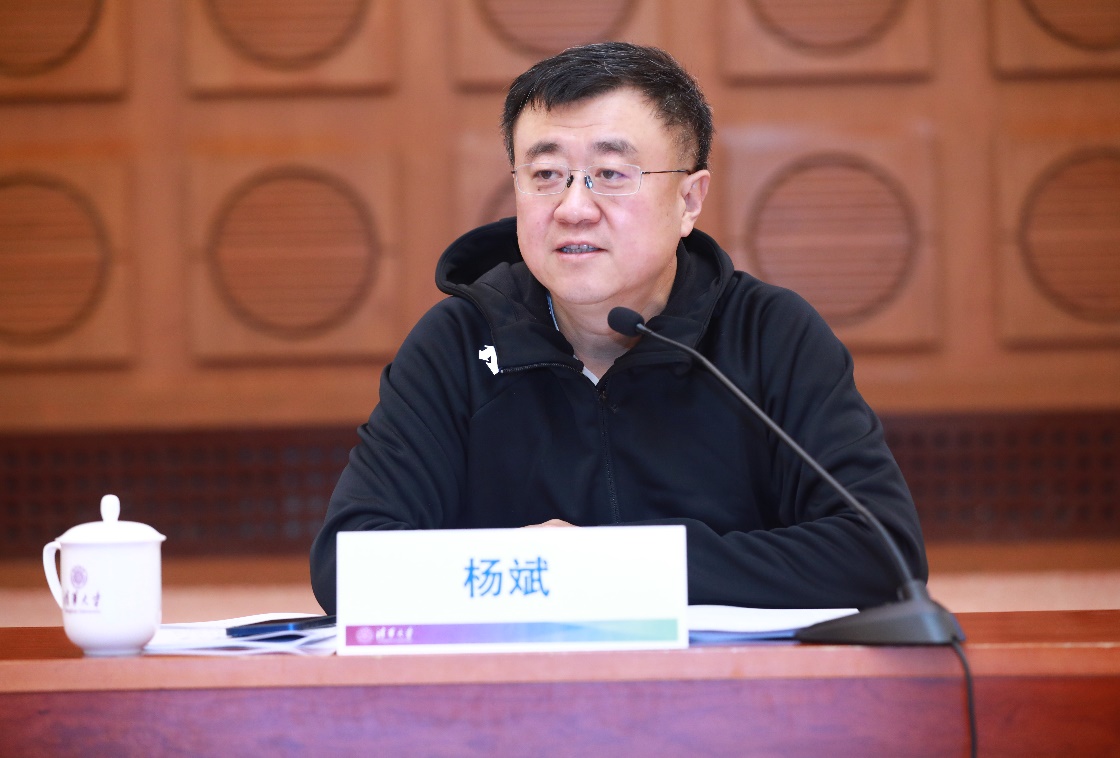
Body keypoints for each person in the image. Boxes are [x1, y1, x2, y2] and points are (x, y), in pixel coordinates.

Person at [310, 41, 927, 614]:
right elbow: (349, 564)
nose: (574, 208)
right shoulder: (458, 343)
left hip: (729, 687)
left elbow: (881, 553)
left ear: (689, 200)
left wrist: (613, 566)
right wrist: (531, 567)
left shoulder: (769, 334)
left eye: (611, 174)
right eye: (545, 176)